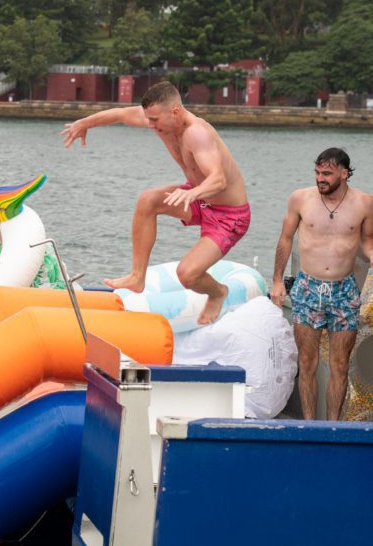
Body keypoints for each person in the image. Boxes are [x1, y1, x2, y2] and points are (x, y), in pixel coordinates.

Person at [61, 81, 250, 324]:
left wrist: (193, 194)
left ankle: (218, 292)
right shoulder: (162, 121)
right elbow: (120, 114)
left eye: (154, 120)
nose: (150, 126)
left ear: (175, 112)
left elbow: (218, 179)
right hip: (199, 199)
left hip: (228, 216)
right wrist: (84, 123)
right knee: (148, 200)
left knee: (187, 274)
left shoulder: (197, 134)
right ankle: (137, 276)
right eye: (148, 119)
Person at [271, 148, 373, 421]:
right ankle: (307, 424)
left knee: (339, 365)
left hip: (344, 291)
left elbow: (367, 241)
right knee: (307, 363)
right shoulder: (300, 199)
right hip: (307, 288)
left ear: (344, 172)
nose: (320, 178)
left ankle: (332, 427)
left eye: (326, 173)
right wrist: (277, 281)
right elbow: (285, 239)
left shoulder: (364, 203)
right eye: (317, 172)